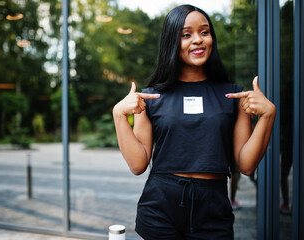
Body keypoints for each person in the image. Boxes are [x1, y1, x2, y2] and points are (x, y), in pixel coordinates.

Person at [112, 4, 276, 240]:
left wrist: (268, 115)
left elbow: (246, 165)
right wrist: (119, 115)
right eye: (186, 35)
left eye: (205, 32)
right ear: (171, 42)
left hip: (213, 208)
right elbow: (138, 165)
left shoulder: (233, 96)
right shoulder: (150, 98)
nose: (198, 40)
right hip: (161, 206)